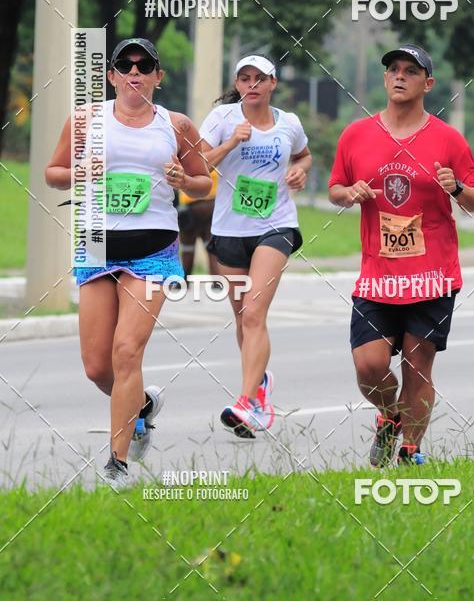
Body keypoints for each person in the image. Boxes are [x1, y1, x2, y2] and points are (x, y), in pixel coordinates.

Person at [46, 38, 211, 488]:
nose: (134, 72)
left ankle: (116, 466)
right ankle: (140, 409)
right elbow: (53, 173)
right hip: (98, 246)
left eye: (145, 65)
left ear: (158, 76)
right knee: (98, 367)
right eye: (125, 64)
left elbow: (202, 183)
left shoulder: (176, 126)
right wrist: (79, 173)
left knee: (126, 352)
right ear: (112, 75)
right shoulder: (85, 120)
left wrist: (184, 178)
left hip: (153, 250)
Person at [328, 44, 474, 466]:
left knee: (418, 368)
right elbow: (335, 189)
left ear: (427, 84)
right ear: (385, 79)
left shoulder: (448, 138)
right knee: (369, 364)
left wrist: (455, 187)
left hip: (431, 274)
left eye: (410, 71)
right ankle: (389, 415)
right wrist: (350, 193)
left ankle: (410, 451)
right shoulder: (356, 135)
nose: (399, 76)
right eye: (393, 70)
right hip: (378, 276)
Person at [199, 54, 312, 438]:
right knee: (241, 318)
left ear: (272, 83)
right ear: (238, 83)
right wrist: (231, 142)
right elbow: (198, 164)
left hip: (276, 226)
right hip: (229, 229)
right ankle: (260, 387)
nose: (252, 84)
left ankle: (248, 402)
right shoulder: (222, 120)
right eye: (244, 78)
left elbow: (303, 155)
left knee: (253, 314)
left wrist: (300, 171)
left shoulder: (289, 123)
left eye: (259, 78)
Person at [178, 170, 219, 279]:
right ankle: (216, 280)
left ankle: (184, 279)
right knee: (210, 246)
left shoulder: (186, 158)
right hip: (210, 205)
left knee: (188, 247)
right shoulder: (216, 157)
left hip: (191, 206)